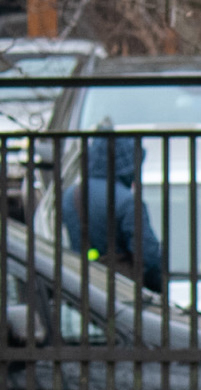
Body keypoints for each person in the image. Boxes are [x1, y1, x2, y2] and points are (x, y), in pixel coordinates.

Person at [61, 125, 165, 292]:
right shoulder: (126, 202)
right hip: (121, 292)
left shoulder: (70, 195)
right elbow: (148, 256)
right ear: (127, 164)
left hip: (81, 288)